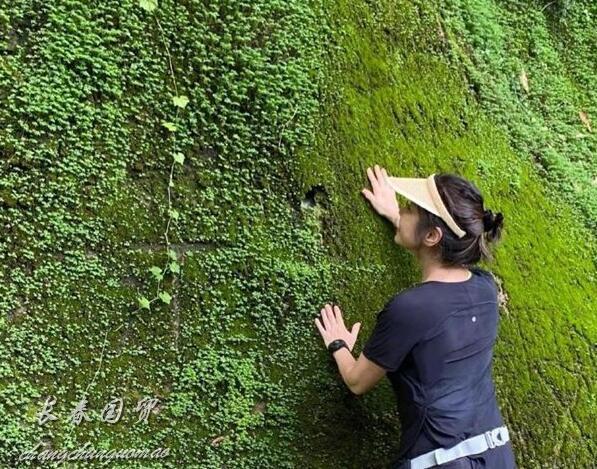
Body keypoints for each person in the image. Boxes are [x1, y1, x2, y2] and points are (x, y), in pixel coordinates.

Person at [314, 165, 516, 468]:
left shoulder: (410, 308)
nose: (403, 210)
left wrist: (339, 345)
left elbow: (357, 382)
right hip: (497, 455)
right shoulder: (485, 289)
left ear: (433, 235)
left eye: (409, 209)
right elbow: (441, 262)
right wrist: (398, 218)